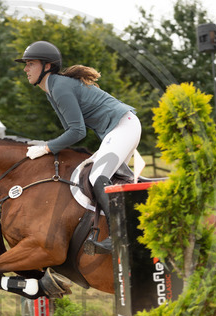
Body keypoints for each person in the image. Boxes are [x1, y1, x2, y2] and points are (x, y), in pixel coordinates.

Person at [15, 40, 142, 254]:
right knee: (99, 173)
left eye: (31, 64)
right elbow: (71, 130)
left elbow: (77, 131)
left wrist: (47, 148)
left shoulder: (60, 87)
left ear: (47, 66)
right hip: (120, 128)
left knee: (97, 176)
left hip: (124, 127)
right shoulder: (52, 89)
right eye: (26, 64)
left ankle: (119, 236)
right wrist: (47, 146)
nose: (25, 69)